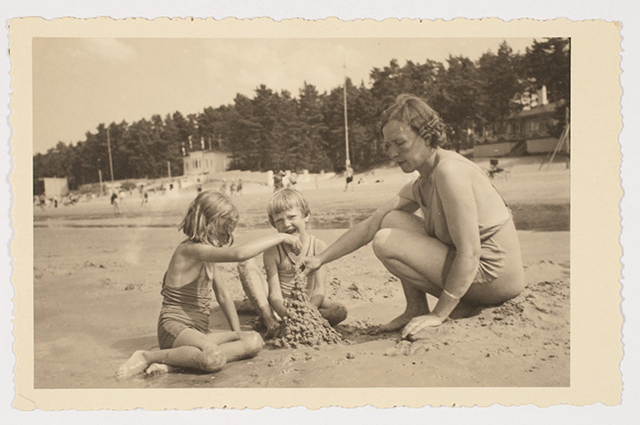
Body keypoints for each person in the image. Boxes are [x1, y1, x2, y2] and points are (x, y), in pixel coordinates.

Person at [300, 94, 524, 341]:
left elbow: (470, 253)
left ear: (427, 136)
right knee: (390, 220)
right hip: (477, 272)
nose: (392, 153)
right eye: (388, 145)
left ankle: (447, 307)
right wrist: (320, 259)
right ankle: (415, 308)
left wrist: (439, 315)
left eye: (400, 143)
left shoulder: (450, 172)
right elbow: (372, 223)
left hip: (496, 278)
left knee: (386, 240)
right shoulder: (422, 181)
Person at [116, 191, 302, 380]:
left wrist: (236, 332)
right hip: (174, 329)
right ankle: (148, 356)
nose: (227, 235)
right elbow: (239, 254)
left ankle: (173, 363)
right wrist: (281, 237)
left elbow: (223, 297)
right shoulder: (189, 250)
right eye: (225, 229)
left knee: (254, 340)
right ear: (210, 223)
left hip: (199, 333)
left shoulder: (207, 257)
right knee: (214, 359)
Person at [263, 188, 348, 327]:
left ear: (306, 215)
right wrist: (287, 313)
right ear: (273, 224)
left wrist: (308, 311)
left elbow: (319, 289)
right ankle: (304, 322)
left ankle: (310, 320)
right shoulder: (272, 252)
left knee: (339, 311)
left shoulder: (318, 246)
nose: (286, 224)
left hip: (311, 302)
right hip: (283, 305)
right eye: (279, 220)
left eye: (292, 217)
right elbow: (274, 295)